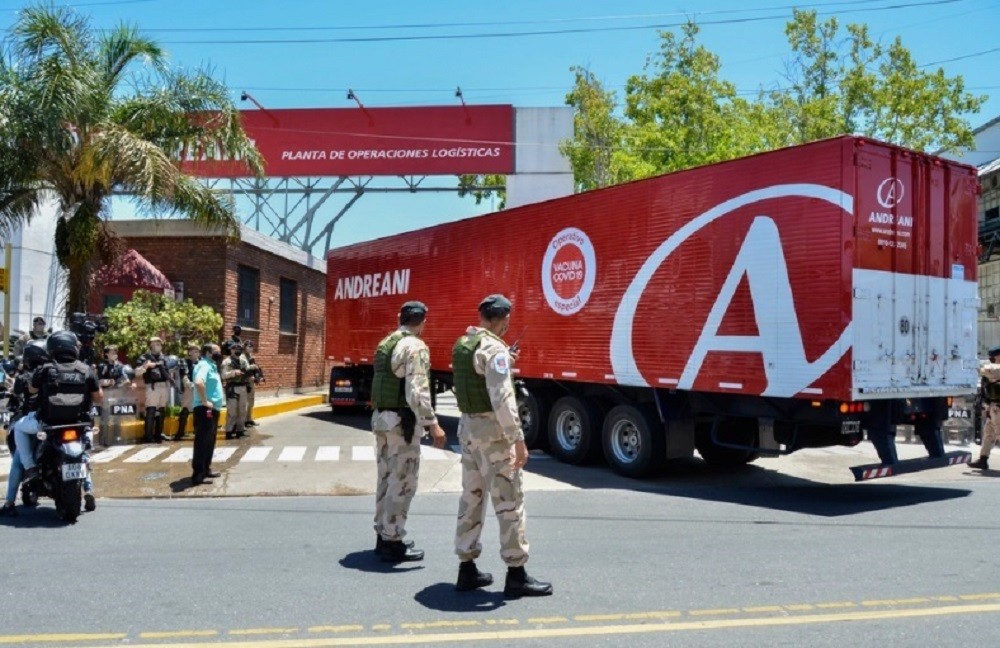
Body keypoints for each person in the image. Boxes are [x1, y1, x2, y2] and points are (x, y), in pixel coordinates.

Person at [452, 294, 552, 598]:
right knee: (509, 503)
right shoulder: (494, 348)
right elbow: (503, 399)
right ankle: (516, 574)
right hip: (493, 436)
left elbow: (478, 376)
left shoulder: (464, 344)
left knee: (472, 498)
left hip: (468, 430)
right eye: (507, 320)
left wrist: (504, 361)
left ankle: (466, 570)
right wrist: (518, 441)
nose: (508, 326)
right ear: (500, 319)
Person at [370, 301, 447, 563]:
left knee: (385, 479)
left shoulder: (387, 341)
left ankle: (383, 534)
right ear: (422, 322)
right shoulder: (414, 346)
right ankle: (393, 541)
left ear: (399, 317)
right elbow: (417, 390)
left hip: (382, 420)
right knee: (402, 482)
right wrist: (432, 423)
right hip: (400, 424)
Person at [22, 333, 102, 491]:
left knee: (20, 428)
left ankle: (31, 468)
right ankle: (88, 489)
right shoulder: (85, 369)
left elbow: (32, 389)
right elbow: (98, 398)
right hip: (79, 422)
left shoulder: (45, 369)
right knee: (85, 452)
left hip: (51, 423)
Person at [1, 344, 47, 516]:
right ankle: (88, 488)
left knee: (18, 461)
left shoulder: (24, 377)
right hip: (51, 421)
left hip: (31, 423)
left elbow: (18, 392)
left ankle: (9, 502)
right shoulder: (50, 373)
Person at [191, 343, 224, 485]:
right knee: (202, 441)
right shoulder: (204, 365)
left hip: (212, 409)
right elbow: (199, 382)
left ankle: (206, 469)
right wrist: (205, 401)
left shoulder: (212, 365)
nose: (220, 353)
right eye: (217, 351)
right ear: (209, 352)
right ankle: (197, 474)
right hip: (204, 409)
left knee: (210, 441)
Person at [134, 336, 170, 443]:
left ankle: (159, 433)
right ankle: (148, 435)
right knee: (151, 409)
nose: (158, 345)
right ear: (151, 345)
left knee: (162, 409)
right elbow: (137, 372)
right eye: (156, 343)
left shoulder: (164, 357)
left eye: (159, 343)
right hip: (152, 386)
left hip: (163, 385)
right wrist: (146, 366)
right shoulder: (144, 357)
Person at [971, 346, 1000, 470]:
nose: (991, 358)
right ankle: (983, 459)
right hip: (993, 407)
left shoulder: (996, 369)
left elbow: (987, 370)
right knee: (988, 434)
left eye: (993, 356)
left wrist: (971, 365)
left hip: (998, 408)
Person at [220, 342, 253, 439]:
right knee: (232, 411)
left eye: (239, 348)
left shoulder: (243, 361)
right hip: (232, 388)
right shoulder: (226, 361)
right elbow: (223, 375)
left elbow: (247, 371)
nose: (237, 350)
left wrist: (251, 372)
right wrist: (234, 373)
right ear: (231, 350)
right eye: (234, 348)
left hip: (243, 387)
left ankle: (240, 430)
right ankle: (229, 431)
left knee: (242, 410)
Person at [175, 342, 200, 441]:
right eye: (194, 351)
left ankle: (197, 432)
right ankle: (180, 432)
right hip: (189, 388)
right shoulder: (184, 361)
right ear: (189, 352)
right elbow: (184, 375)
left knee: (198, 410)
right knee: (185, 409)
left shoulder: (201, 362)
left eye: (198, 351)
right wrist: (189, 384)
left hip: (200, 387)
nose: (196, 353)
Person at [243, 341, 264, 427]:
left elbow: (255, 369)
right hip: (244, 382)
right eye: (248, 346)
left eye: (252, 346)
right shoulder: (242, 357)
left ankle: (249, 419)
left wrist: (259, 377)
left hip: (251, 382)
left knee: (251, 401)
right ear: (244, 347)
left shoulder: (251, 357)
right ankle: (244, 420)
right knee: (245, 402)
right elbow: (243, 369)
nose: (250, 348)